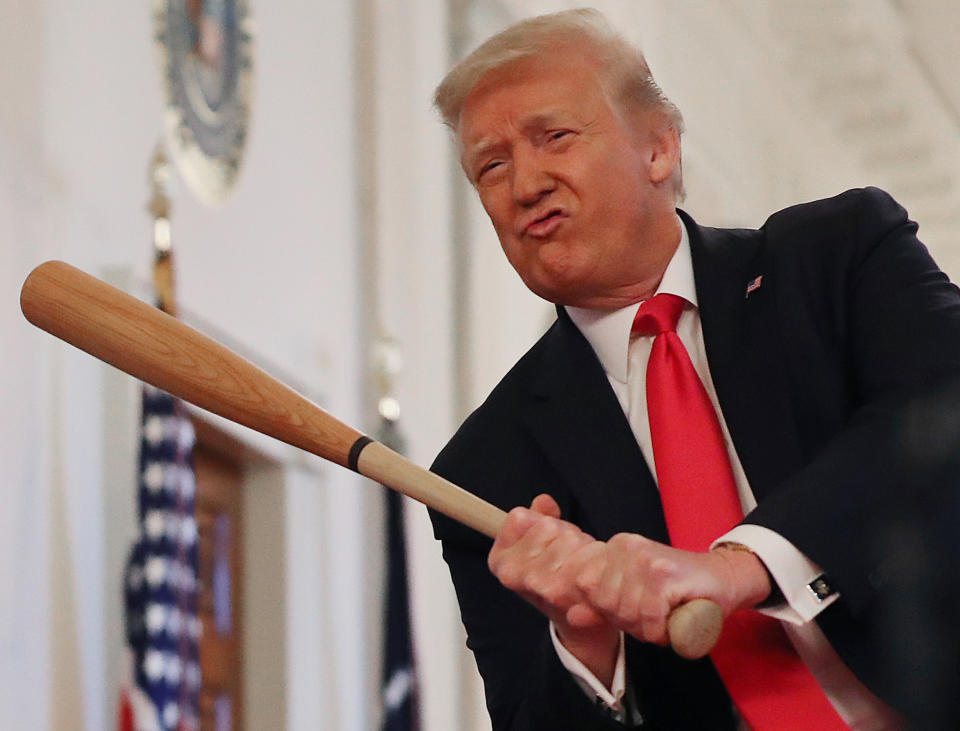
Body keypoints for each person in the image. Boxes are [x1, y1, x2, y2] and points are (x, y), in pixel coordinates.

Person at [428, 8, 960, 730]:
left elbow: (938, 418)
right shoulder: (486, 468)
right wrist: (583, 643)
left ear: (659, 148)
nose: (524, 184)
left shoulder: (837, 258)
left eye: (554, 137)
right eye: (491, 164)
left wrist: (737, 566)